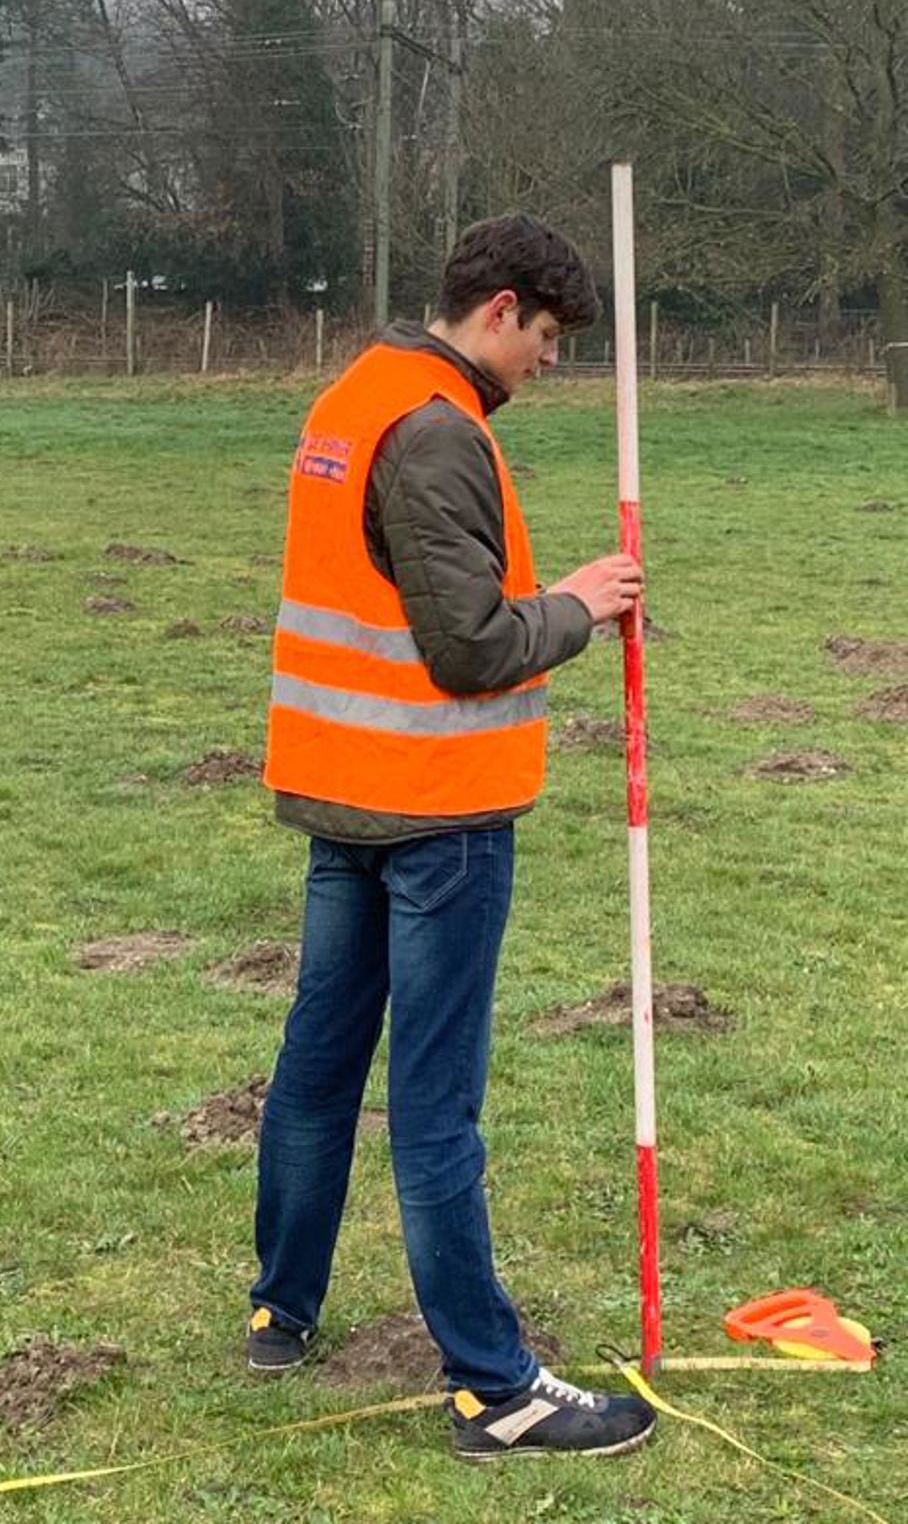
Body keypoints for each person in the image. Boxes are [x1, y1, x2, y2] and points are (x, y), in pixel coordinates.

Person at [248, 214, 656, 1464]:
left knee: (318, 1064)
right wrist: (577, 607)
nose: (548, 361)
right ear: (500, 308)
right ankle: (496, 1385)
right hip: (436, 814)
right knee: (435, 1104)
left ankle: (282, 1309)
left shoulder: (355, 394)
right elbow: (468, 643)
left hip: (344, 793)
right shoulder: (434, 429)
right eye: (545, 336)